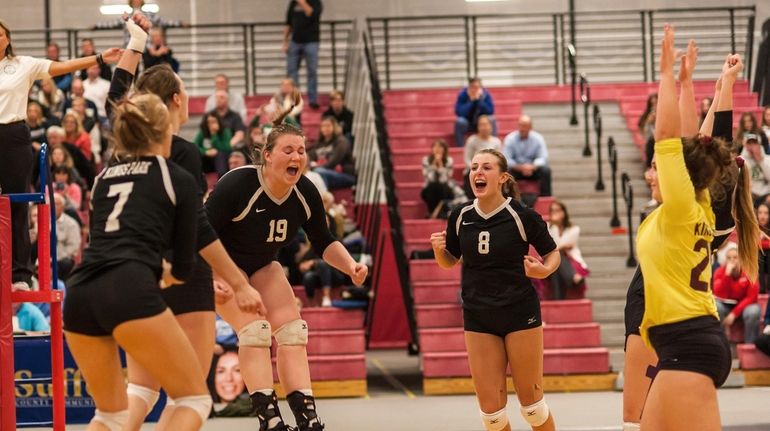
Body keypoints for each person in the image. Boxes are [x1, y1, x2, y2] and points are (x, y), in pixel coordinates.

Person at [103, 17, 264, 431]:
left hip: (128, 270)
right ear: (176, 100)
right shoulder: (184, 153)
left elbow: (116, 96)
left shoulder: (122, 148)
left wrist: (136, 42)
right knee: (191, 394)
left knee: (141, 389)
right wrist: (211, 277)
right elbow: (191, 226)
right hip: (180, 273)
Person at [205, 89, 368, 431]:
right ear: (267, 156)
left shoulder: (305, 191)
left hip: (263, 266)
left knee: (293, 332)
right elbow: (199, 236)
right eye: (288, 150)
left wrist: (350, 265)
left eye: (301, 151)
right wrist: (211, 278)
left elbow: (324, 241)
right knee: (255, 331)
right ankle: (270, 419)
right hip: (223, 269)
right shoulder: (238, 184)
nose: (297, 157)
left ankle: (307, 417)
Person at [63, 92, 212, 431]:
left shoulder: (103, 178)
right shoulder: (178, 177)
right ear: (165, 130)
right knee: (193, 399)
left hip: (81, 289)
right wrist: (165, 274)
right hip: (128, 285)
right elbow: (186, 267)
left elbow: (104, 238)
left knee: (110, 415)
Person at [637, 28, 757, 431]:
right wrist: (689, 83)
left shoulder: (683, 206)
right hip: (682, 342)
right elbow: (692, 141)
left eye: (659, 166)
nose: (653, 170)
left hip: (690, 342)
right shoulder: (700, 201)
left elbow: (669, 138)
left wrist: (667, 75)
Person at [430, 148, 559, 431]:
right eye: (474, 167)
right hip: (479, 314)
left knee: (533, 408)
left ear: (502, 177)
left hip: (519, 311)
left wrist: (543, 270)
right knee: (492, 415)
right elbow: (449, 262)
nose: (478, 172)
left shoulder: (522, 215)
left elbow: (553, 255)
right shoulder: (460, 215)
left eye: (486, 167)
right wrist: (439, 251)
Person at [0, 19, 119, 292]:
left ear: (8, 38)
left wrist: (100, 57)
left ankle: (20, 275)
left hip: (13, 135)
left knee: (17, 205)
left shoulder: (23, 64)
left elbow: (63, 67)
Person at [713, 242, 761, 344]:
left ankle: (750, 345)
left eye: (735, 257)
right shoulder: (720, 272)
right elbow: (719, 295)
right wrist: (727, 276)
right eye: (729, 258)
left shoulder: (749, 272)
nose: (732, 261)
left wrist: (734, 314)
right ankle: (721, 343)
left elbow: (752, 297)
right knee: (716, 306)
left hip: (744, 307)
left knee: (754, 310)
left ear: (741, 259)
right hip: (726, 306)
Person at [283, 0, 323, 109]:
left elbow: (312, 14)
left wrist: (302, 2)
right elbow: (288, 23)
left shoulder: (316, 2)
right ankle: (295, 99)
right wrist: (285, 41)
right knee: (292, 71)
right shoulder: (293, 3)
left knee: (312, 71)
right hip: (295, 41)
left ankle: (312, 100)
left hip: (311, 41)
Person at [546, 201, 588, 300]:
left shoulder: (574, 229)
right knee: (556, 256)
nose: (554, 213)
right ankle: (573, 277)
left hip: (570, 260)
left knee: (557, 259)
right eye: (552, 211)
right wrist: (554, 226)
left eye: (557, 210)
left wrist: (559, 247)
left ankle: (558, 299)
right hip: (551, 261)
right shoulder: (548, 227)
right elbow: (552, 247)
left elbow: (562, 245)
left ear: (563, 213)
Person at [502, 115, 552, 197]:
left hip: (533, 169)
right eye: (520, 125)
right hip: (516, 169)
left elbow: (543, 157)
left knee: (546, 171)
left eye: (525, 126)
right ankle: (509, 198)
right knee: (507, 173)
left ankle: (545, 197)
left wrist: (532, 166)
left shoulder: (538, 138)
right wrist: (521, 167)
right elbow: (506, 159)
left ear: (530, 127)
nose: (522, 128)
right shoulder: (510, 139)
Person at [420, 139, 465, 219]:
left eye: (440, 147)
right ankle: (432, 212)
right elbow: (429, 178)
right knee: (432, 187)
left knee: (442, 187)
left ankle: (437, 213)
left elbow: (445, 179)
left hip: (445, 188)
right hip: (430, 188)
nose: (437, 149)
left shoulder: (449, 160)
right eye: (435, 147)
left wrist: (440, 165)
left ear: (444, 149)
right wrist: (434, 164)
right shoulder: (426, 160)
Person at [309, 116, 355, 190]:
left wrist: (314, 167)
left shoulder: (341, 141)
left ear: (334, 127)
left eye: (328, 126)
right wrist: (311, 164)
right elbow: (310, 157)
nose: (325, 128)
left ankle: (324, 197)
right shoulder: (319, 143)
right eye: (323, 126)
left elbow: (332, 163)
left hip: (344, 175)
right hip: (325, 171)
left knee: (318, 172)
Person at [463, 115, 501, 197]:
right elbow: (467, 160)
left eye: (486, 124)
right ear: (477, 127)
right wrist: (477, 169)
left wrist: (488, 169)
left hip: (491, 170)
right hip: (474, 170)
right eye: (481, 125)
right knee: (470, 175)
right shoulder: (471, 140)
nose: (484, 127)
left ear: (491, 126)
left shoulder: (496, 142)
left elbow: (499, 160)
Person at [454, 77, 496, 147]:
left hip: (482, 123)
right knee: (460, 121)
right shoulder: (463, 95)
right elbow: (459, 112)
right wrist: (471, 101)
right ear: (469, 87)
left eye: (477, 87)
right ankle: (460, 147)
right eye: (473, 87)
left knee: (491, 119)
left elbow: (490, 111)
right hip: (468, 123)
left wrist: (479, 101)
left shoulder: (485, 95)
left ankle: (493, 145)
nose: (475, 90)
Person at [194, 112, 233, 178]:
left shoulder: (225, 131)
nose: (211, 124)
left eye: (213, 122)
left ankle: (221, 180)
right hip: (207, 160)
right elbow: (195, 146)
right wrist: (205, 152)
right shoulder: (203, 132)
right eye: (208, 122)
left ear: (218, 122)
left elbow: (227, 147)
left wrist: (214, 135)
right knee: (196, 156)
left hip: (221, 161)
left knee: (220, 155)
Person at [740, 133, 770, 205]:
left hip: (766, 195)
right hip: (749, 194)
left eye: (754, 143)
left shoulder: (767, 159)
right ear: (745, 145)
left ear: (759, 145)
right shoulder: (741, 160)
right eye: (749, 143)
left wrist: (760, 160)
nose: (751, 146)